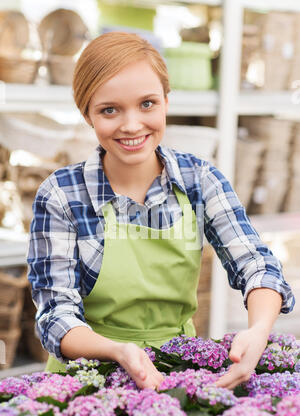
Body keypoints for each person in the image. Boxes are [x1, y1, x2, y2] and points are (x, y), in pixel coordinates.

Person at [27, 32, 295, 391]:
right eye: (110, 109)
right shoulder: (61, 195)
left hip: (176, 369)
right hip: (84, 377)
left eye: (147, 104)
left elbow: (257, 264)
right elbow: (55, 314)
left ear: (167, 101)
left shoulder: (200, 180)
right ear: (87, 114)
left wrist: (259, 330)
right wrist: (119, 351)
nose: (132, 124)